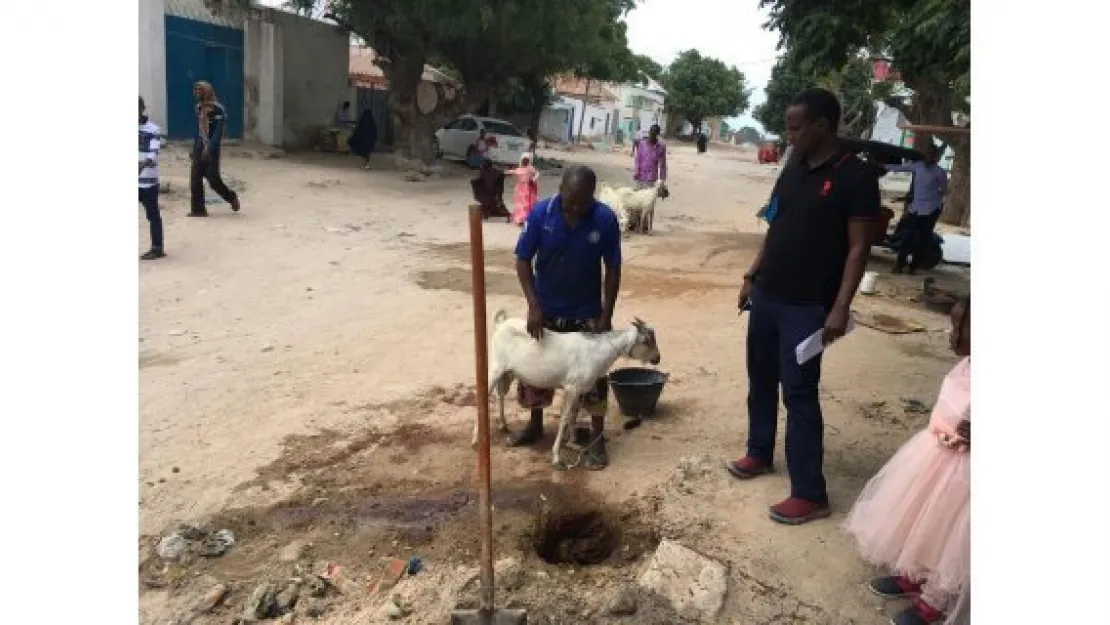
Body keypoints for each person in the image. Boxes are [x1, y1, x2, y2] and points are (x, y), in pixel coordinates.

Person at [727, 88, 880, 525]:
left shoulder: (855, 176)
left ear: (823, 125)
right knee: (760, 379)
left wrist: (840, 307)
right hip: (769, 295)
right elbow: (774, 225)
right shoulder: (793, 167)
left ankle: (810, 493)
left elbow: (858, 250)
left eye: (796, 127)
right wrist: (751, 276)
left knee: (799, 394)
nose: (789, 135)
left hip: (809, 307)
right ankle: (759, 452)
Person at [843, 296, 970, 625]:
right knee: (922, 518)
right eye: (954, 326)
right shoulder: (968, 362)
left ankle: (936, 599)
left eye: (964, 329)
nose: (953, 336)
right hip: (933, 457)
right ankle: (913, 572)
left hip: (965, 472)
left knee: (950, 533)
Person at [510, 166, 622, 469]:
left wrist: (606, 313)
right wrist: (533, 305)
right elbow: (522, 260)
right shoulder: (541, 214)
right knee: (536, 368)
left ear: (592, 198)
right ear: (560, 189)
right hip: (545, 309)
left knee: (595, 377)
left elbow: (613, 268)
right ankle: (535, 425)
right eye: (569, 200)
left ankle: (597, 440)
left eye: (581, 203)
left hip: (586, 312)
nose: (573, 208)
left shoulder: (605, 220)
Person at [883, 143, 949, 274]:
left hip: (930, 210)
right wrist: (882, 166)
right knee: (907, 236)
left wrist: (932, 198)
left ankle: (913, 266)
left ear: (936, 157)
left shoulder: (940, 172)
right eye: (927, 154)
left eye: (932, 154)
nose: (929, 157)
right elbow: (901, 168)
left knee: (923, 239)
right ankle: (899, 265)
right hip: (916, 209)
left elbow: (943, 190)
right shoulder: (918, 167)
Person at [189, 81, 241, 217]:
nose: (196, 93)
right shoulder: (198, 107)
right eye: (195, 90)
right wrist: (195, 147)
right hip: (199, 146)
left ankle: (231, 197)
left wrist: (210, 148)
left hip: (211, 147)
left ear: (206, 91)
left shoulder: (218, 109)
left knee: (213, 180)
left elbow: (218, 132)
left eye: (199, 90)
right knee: (195, 178)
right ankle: (198, 209)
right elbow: (200, 129)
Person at [138, 96, 165, 260]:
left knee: (152, 214)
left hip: (148, 180)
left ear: (142, 108)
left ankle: (157, 248)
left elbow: (153, 154)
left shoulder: (153, 129)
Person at [506, 154, 540, 226]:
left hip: (528, 188)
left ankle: (526, 218)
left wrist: (533, 179)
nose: (525, 162)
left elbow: (537, 173)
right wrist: (505, 172)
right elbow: (511, 172)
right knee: (520, 204)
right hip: (519, 189)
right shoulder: (519, 169)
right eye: (524, 160)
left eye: (526, 160)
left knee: (527, 204)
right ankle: (521, 219)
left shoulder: (530, 168)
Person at [632, 124, 667, 190]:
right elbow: (638, 159)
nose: (652, 134)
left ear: (657, 134)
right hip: (640, 176)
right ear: (649, 132)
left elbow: (663, 164)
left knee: (648, 198)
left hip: (651, 178)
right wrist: (636, 172)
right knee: (638, 197)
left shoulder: (661, 147)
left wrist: (662, 178)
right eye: (651, 132)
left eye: (654, 133)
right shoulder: (642, 144)